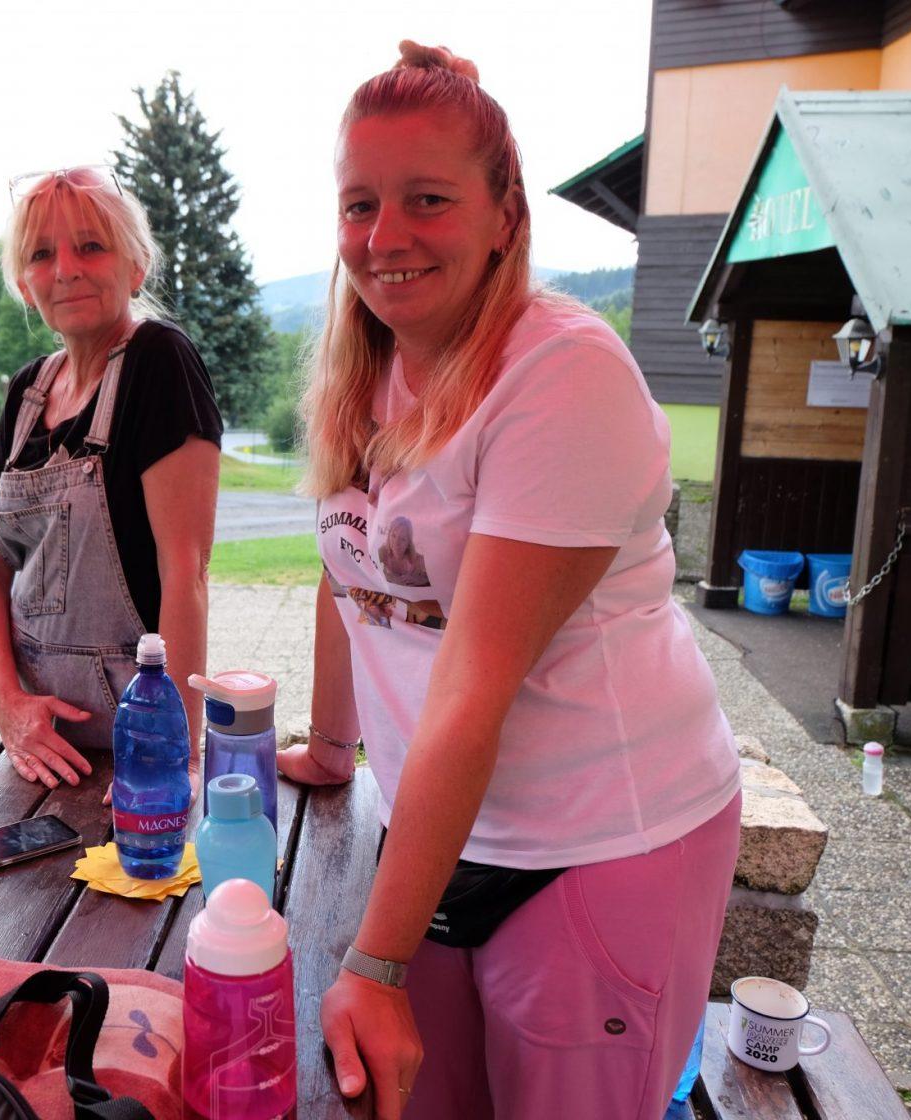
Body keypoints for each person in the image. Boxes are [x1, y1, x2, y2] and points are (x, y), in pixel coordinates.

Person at [277, 43, 742, 1120]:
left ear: (505, 215)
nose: (384, 238)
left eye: (427, 199)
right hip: (441, 831)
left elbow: (472, 686)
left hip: (603, 840)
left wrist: (374, 962)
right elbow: (352, 576)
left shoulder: (561, 374)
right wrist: (336, 747)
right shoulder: (366, 369)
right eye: (359, 205)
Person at [0, 166, 221, 795]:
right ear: (24, 285)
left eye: (90, 246)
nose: (66, 270)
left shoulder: (159, 361)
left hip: (138, 745)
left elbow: (185, 572)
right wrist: (7, 704)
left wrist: (173, 753)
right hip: (41, 747)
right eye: (41, 254)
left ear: (136, 266)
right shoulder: (28, 391)